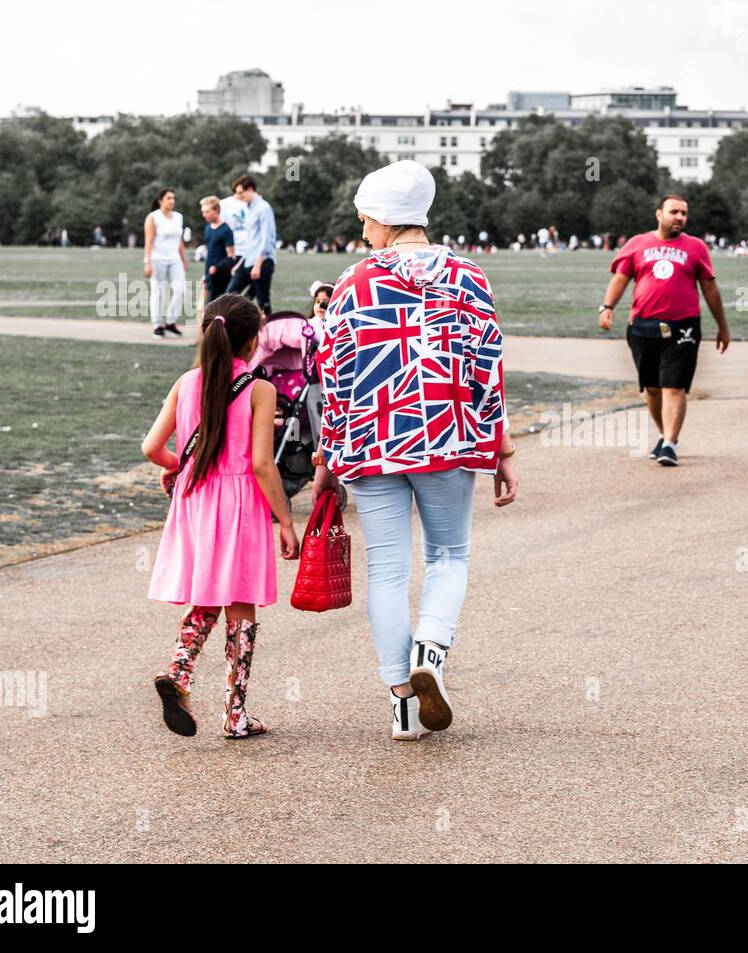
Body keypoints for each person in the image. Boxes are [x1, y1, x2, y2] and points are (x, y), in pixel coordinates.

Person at [312, 160, 518, 742]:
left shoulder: (352, 283)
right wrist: (499, 446)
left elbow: (334, 376)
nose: (362, 231)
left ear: (380, 218)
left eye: (364, 220)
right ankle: (432, 650)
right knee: (448, 557)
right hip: (448, 435)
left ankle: (403, 704)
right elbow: (487, 366)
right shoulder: (470, 276)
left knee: (387, 571)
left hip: (373, 441)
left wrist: (328, 460)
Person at [142, 294, 300, 739]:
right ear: (252, 342)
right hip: (238, 502)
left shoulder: (187, 382)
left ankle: (179, 670)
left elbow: (151, 447)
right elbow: (262, 464)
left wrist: (177, 465)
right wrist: (286, 522)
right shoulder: (260, 390)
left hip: (194, 499)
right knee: (241, 605)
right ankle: (235, 713)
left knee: (209, 591)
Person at [598, 195, 730, 466]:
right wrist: (607, 306)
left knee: (674, 387)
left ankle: (670, 442)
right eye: (674, 212)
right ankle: (664, 435)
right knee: (652, 390)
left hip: (683, 328)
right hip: (643, 328)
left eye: (684, 213)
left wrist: (722, 326)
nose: (680, 217)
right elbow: (620, 278)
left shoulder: (696, 248)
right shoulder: (637, 244)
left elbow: (711, 290)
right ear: (659, 214)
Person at [226, 175, 276, 314]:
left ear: (250, 189)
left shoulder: (264, 208)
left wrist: (258, 265)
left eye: (240, 192)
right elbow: (251, 241)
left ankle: (268, 333)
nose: (238, 196)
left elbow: (267, 239)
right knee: (230, 295)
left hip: (262, 262)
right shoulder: (248, 209)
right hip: (247, 261)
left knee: (263, 302)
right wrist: (239, 264)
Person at [144, 188, 185, 337]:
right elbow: (148, 241)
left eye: (173, 198)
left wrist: (183, 259)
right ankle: (157, 325)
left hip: (174, 258)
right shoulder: (153, 217)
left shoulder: (178, 217)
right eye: (169, 198)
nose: (172, 201)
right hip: (157, 258)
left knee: (181, 290)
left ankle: (170, 322)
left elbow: (179, 240)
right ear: (161, 200)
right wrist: (147, 262)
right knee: (158, 291)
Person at [200, 196, 236, 311]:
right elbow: (210, 253)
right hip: (209, 275)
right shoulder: (207, 228)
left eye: (207, 211)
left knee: (218, 308)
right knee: (206, 308)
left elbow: (231, 256)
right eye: (203, 212)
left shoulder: (226, 230)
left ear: (217, 210)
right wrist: (205, 274)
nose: (204, 215)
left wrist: (217, 267)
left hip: (221, 276)